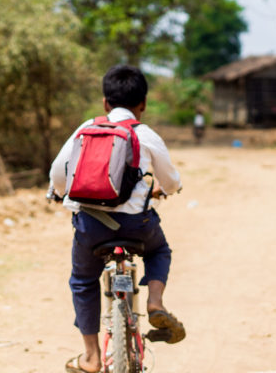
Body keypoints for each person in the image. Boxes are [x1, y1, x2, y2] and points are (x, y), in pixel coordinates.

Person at [48, 65, 185, 373]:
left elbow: (57, 173)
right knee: (159, 251)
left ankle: (91, 357)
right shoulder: (145, 134)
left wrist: (59, 193)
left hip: (91, 225)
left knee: (83, 281)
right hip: (137, 225)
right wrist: (165, 190)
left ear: (105, 102)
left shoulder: (86, 128)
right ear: (143, 103)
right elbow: (171, 181)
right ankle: (155, 302)